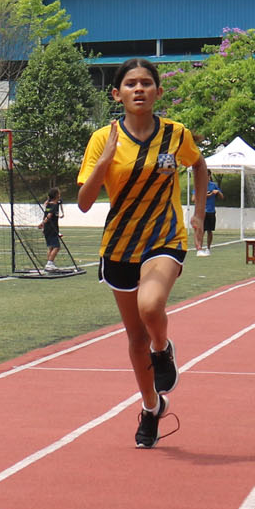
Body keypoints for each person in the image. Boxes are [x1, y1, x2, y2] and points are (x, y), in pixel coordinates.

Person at [78, 57, 207, 449]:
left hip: (165, 238)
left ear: (158, 92)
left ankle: (163, 349)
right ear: (116, 94)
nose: (139, 89)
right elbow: (84, 202)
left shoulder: (175, 134)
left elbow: (199, 166)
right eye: (130, 83)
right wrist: (103, 161)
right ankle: (152, 407)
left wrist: (198, 213)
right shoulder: (103, 138)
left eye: (146, 83)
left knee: (151, 307)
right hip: (119, 245)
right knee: (134, 339)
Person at [195, 174, 224, 256]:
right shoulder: (199, 185)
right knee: (201, 230)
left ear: (209, 176)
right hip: (202, 211)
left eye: (207, 176)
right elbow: (194, 198)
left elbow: (222, 196)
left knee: (210, 230)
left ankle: (208, 248)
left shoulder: (213, 185)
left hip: (211, 211)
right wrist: (207, 195)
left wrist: (218, 192)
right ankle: (199, 249)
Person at [39, 187, 62, 270]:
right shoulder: (54, 206)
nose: (60, 195)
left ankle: (49, 263)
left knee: (51, 247)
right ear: (56, 195)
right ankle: (50, 263)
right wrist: (42, 223)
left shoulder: (49, 204)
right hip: (52, 229)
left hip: (47, 229)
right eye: (58, 194)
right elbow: (49, 216)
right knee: (57, 247)